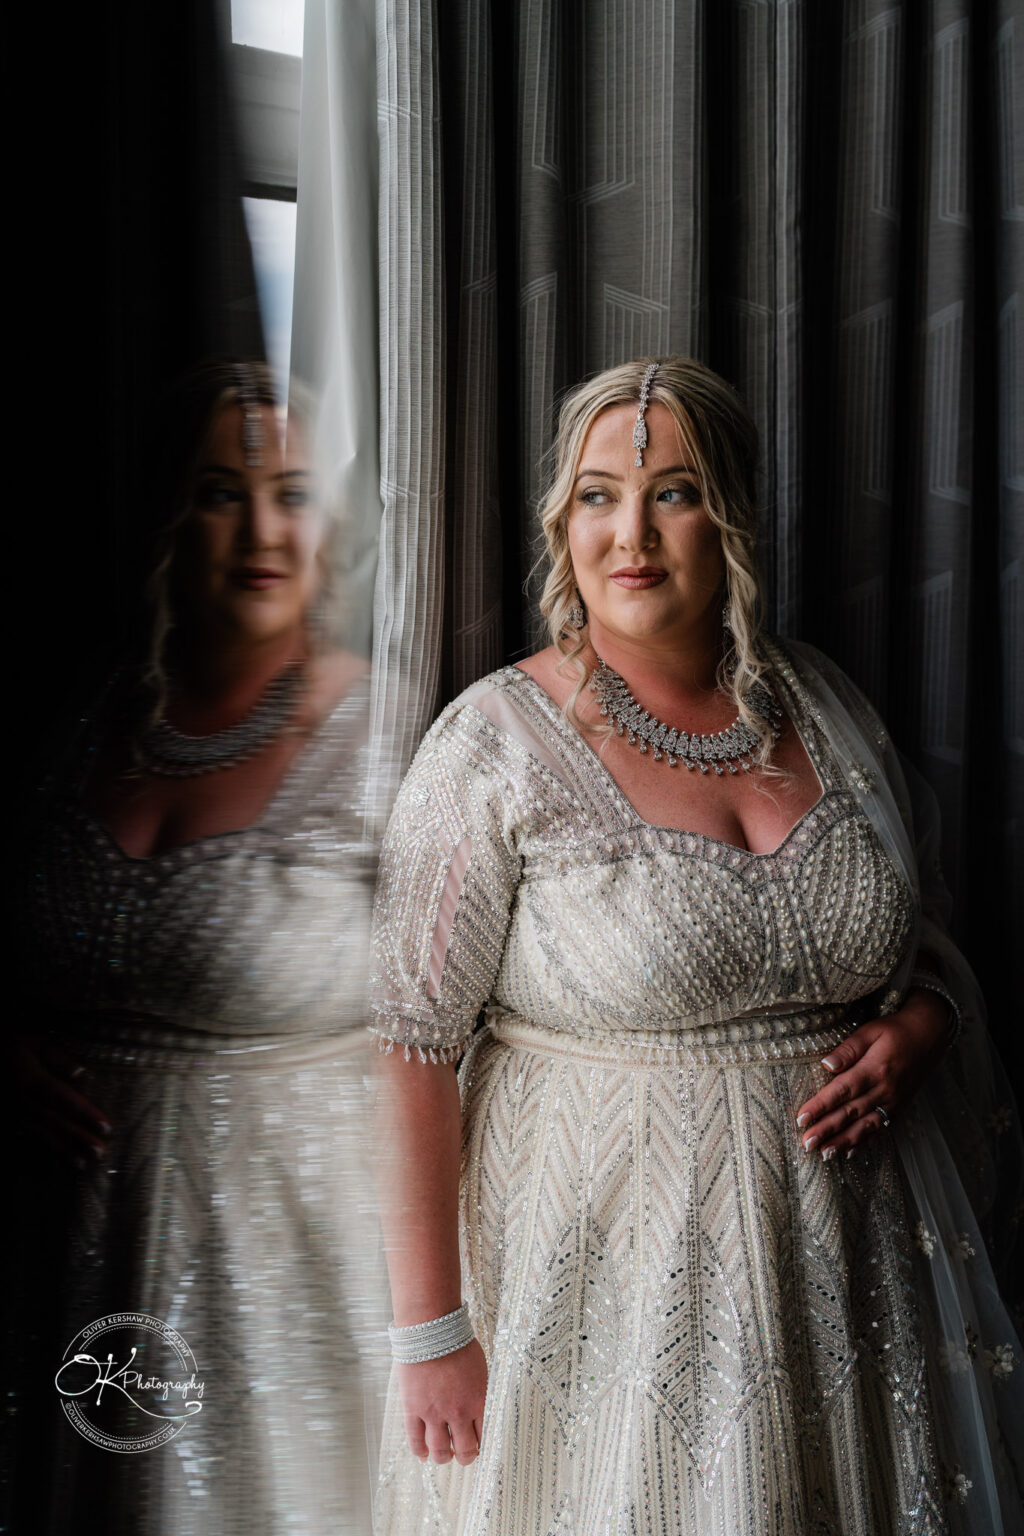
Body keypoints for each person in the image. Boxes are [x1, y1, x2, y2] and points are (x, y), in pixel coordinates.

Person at [369, 357, 1024, 1535]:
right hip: (611, 1296)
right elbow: (412, 1045)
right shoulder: (492, 745)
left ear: (730, 516)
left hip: (849, 1288)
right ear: (560, 520)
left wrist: (924, 1024)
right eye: (597, 497)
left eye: (671, 493)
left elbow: (910, 937)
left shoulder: (821, 704)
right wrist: (430, 1334)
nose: (632, 534)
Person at [10, 360, 386, 1535]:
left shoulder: (389, 733)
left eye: (293, 491)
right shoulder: (85, 715)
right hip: (67, 1261)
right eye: (224, 491)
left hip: (287, 1274)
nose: (263, 528)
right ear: (172, 513)